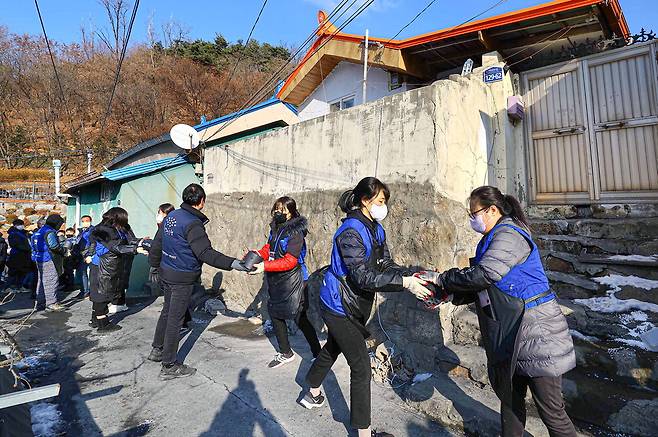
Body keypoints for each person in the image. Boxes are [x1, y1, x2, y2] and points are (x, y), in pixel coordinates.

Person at [420, 186, 577, 437]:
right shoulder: (490, 239)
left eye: (475, 213)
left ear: (493, 209)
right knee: (511, 403)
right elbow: (486, 287)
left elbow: (485, 275)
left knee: (552, 413)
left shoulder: (509, 235)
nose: (472, 219)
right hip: (512, 333)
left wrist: (442, 279)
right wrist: (450, 294)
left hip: (536, 331)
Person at [302, 177, 432, 437]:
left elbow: (384, 263)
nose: (384, 206)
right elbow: (362, 276)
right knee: (361, 367)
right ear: (365, 200)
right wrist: (403, 284)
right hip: (338, 304)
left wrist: (408, 276)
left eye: (385, 202)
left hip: (353, 303)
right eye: (380, 201)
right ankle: (363, 432)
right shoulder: (350, 231)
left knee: (334, 346)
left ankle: (311, 391)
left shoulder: (376, 229)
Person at [147, 184, 250, 380]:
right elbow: (205, 253)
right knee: (175, 319)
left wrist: (153, 265)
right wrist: (235, 264)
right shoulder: (192, 223)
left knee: (167, 312)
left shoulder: (172, 216)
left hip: (167, 273)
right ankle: (169, 365)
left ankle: (157, 350)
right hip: (182, 278)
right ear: (201, 202)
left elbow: (157, 243)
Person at [248, 196, 321, 368]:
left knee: (300, 317)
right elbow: (270, 248)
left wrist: (264, 266)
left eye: (283, 209)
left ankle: (318, 353)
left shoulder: (295, 232)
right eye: (276, 208)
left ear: (292, 212)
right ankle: (285, 352)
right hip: (278, 278)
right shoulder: (276, 228)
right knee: (274, 312)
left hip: (295, 280)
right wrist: (257, 254)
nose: (278, 212)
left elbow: (290, 261)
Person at [88, 207, 146, 333]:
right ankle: (103, 324)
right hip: (101, 266)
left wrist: (141, 242)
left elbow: (129, 240)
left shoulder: (118, 227)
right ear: (116, 218)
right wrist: (135, 250)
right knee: (101, 294)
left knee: (102, 292)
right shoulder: (103, 230)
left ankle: (95, 320)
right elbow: (116, 247)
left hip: (111, 265)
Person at [147, 203, 194, 330]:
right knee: (175, 299)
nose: (158, 215)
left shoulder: (168, 226)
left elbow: (158, 245)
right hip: (171, 266)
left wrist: (154, 264)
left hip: (171, 267)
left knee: (172, 302)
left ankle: (182, 323)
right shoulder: (166, 225)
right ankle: (185, 320)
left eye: (160, 213)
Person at [30, 214, 67, 311]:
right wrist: (64, 250)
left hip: (38, 259)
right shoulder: (49, 232)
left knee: (41, 281)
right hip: (48, 259)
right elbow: (53, 246)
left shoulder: (39, 231)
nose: (60, 226)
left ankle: (40, 303)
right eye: (60, 224)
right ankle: (51, 303)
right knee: (51, 281)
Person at [5, 219, 31, 292]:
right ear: (15, 225)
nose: (22, 226)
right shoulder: (13, 234)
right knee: (14, 272)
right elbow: (15, 244)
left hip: (23, 255)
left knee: (22, 272)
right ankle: (9, 287)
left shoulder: (21, 233)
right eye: (20, 225)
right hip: (17, 255)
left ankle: (20, 286)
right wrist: (27, 248)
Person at [75, 215, 94, 299]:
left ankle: (87, 292)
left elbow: (93, 243)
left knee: (90, 274)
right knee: (82, 273)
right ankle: (83, 291)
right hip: (81, 255)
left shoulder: (92, 230)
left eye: (87, 220)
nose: (85, 222)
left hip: (88, 255)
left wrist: (90, 254)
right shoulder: (82, 231)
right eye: (83, 221)